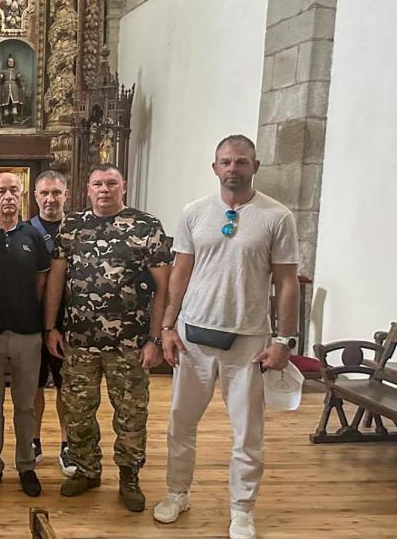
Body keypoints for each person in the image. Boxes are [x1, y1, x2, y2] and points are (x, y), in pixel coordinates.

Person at [153, 135, 299, 539]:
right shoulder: (195, 213)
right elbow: (180, 273)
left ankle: (242, 508)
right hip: (193, 338)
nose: (233, 168)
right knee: (180, 423)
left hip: (249, 342)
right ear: (214, 168)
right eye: (225, 162)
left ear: (255, 166)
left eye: (241, 162)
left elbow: (288, 282)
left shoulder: (276, 216)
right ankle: (177, 492)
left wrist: (284, 340)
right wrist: (167, 326)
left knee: (247, 432)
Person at [44, 163, 172, 512]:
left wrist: (156, 338)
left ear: (123, 187)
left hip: (130, 344)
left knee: (131, 414)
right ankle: (86, 469)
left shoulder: (147, 227)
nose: (104, 189)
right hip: (79, 342)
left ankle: (129, 476)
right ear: (87, 189)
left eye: (111, 183)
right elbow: (57, 279)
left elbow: (164, 288)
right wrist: (50, 327)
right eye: (97, 184)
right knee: (78, 412)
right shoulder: (72, 226)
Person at [0, 173, 49, 498]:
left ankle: (26, 466)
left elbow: (42, 285)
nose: (7, 196)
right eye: (0, 191)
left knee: (25, 406)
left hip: (27, 333)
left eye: (13, 191)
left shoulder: (34, 236)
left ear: (23, 196)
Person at [28, 170, 77, 476]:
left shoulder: (78, 229)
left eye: (56, 193)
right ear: (35, 197)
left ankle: (67, 443)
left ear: (66, 195)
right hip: (32, 321)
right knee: (33, 384)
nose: (50, 199)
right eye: (44, 193)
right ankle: (33, 441)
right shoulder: (25, 230)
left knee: (66, 385)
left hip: (70, 321)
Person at [0, 54, 26, 125]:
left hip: (14, 88)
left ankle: (15, 120)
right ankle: (6, 120)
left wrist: (23, 86)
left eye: (12, 61)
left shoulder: (16, 72)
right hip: (5, 88)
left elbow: (20, 80)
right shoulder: (3, 72)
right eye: (9, 61)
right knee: (6, 105)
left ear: (14, 63)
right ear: (7, 62)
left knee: (14, 104)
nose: (10, 63)